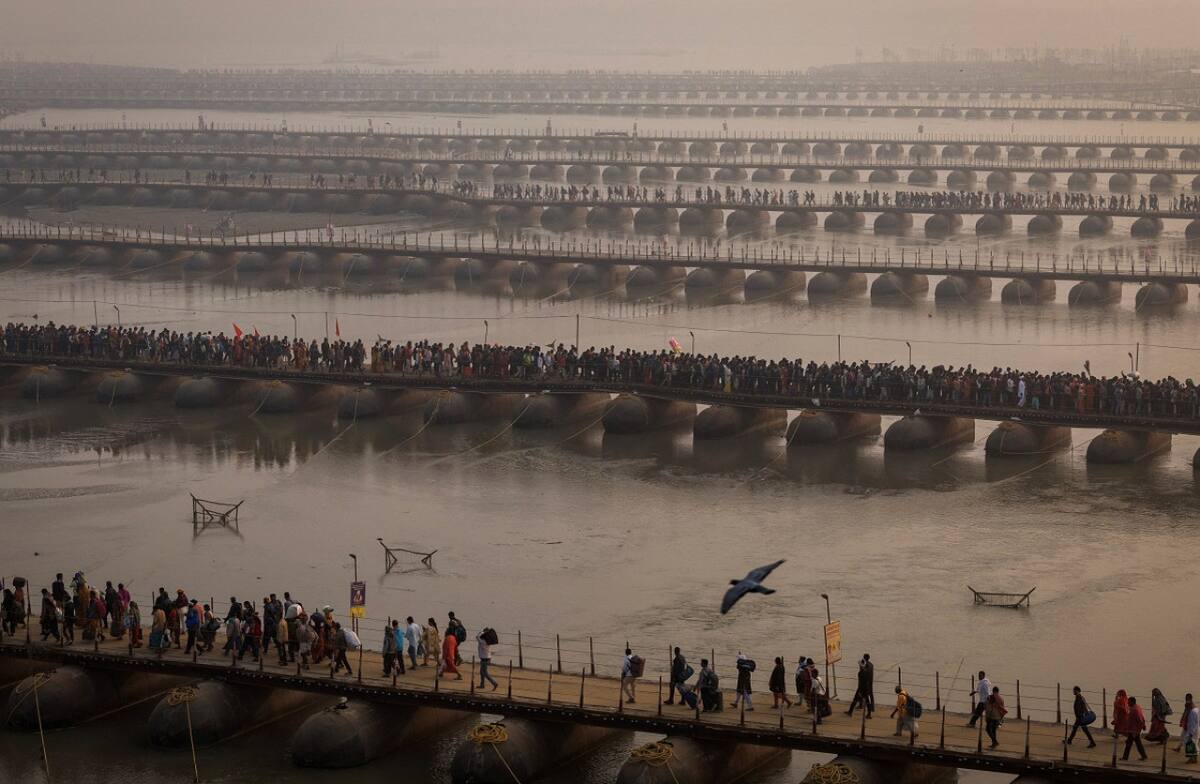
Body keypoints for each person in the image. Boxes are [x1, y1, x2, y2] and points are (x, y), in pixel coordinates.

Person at [1119, 694, 1149, 761]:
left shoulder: (1135, 710)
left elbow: (1139, 719)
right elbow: (1141, 717)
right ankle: (1144, 756)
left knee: (1129, 744)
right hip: (1133, 729)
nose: (1127, 703)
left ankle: (1125, 757)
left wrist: (1142, 725)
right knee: (1137, 743)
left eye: (1129, 702)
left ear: (1132, 702)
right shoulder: (1137, 707)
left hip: (1134, 730)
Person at [847, 653, 874, 718]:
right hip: (868, 686)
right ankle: (869, 713)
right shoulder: (871, 665)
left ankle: (850, 712)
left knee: (856, 699)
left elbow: (861, 681)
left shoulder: (861, 672)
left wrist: (860, 690)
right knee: (867, 700)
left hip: (862, 688)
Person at [1176, 694, 1198, 763]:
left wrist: (1191, 733)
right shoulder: (1190, 708)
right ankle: (1194, 758)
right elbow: (1185, 714)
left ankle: (1192, 758)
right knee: (1190, 743)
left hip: (1191, 730)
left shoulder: (1192, 710)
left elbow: (1192, 722)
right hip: (1190, 728)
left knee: (1189, 744)